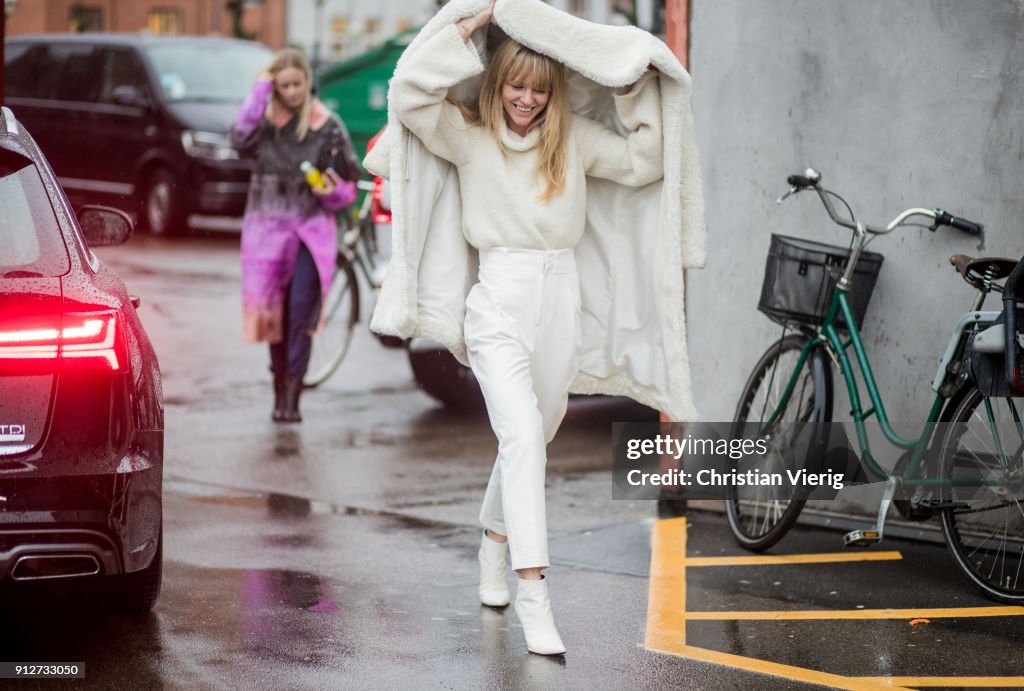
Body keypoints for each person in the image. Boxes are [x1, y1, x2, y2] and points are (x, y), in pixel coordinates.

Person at [388, 0, 664, 655]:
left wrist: (631, 83)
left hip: (559, 299)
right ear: (497, 81)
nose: (526, 99)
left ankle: (493, 538)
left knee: (531, 436)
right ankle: (534, 593)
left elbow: (645, 161)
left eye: (539, 89)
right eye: (516, 84)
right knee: (520, 436)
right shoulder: (470, 133)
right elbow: (408, 96)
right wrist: (465, 23)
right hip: (497, 303)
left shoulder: (573, 140)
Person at [231, 49, 359, 423]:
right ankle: (278, 393)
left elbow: (347, 188)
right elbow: (238, 139)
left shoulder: (327, 124)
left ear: (307, 81)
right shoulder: (264, 122)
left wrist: (330, 191)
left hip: (309, 233)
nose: (291, 92)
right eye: (282, 85)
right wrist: (258, 94)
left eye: (296, 84)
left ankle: (292, 398)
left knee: (300, 311)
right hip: (267, 232)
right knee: (274, 316)